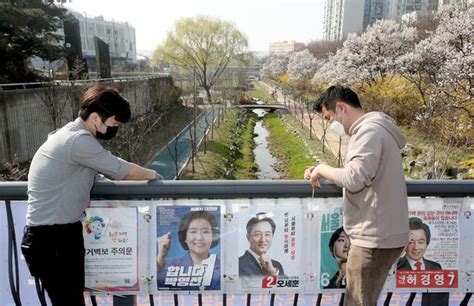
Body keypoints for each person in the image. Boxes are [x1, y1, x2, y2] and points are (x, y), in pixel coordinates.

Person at [21, 85, 161, 306]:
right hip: (52, 239)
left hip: (56, 236)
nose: (115, 128)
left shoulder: (69, 135)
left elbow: (89, 176)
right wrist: (154, 175)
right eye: (114, 123)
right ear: (96, 118)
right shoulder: (77, 141)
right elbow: (119, 169)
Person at [304, 85, 409, 305]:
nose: (331, 124)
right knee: (366, 298)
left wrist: (323, 169)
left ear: (341, 108)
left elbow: (354, 178)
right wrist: (322, 171)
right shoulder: (378, 129)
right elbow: (363, 172)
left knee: (357, 301)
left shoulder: (369, 132)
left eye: (329, 117)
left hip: (372, 238)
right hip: (383, 234)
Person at [157, 210, 220, 290]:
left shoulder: (223, 267)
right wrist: (161, 256)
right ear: (185, 237)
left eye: (205, 232)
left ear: (213, 236)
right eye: (193, 231)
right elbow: (155, 284)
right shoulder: (170, 266)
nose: (199, 237)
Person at [397, 217, 449, 306]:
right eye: (410, 242)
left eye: (421, 242)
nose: (416, 247)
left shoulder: (436, 268)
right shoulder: (395, 268)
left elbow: (440, 301)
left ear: (427, 243)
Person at [239, 213, 285, 277]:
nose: (263, 239)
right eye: (257, 234)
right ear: (248, 237)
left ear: (272, 236)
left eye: (267, 234)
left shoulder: (276, 266)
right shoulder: (239, 264)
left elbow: (287, 285)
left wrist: (273, 272)